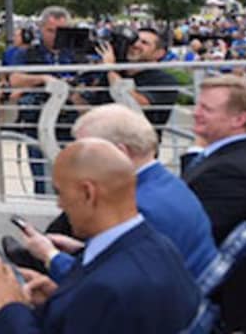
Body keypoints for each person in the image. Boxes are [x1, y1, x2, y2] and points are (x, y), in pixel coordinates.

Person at [0, 139, 199, 334]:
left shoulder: (108, 288)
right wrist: (53, 294)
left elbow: (99, 297)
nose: (59, 205)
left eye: (60, 193)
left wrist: (10, 305)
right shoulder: (159, 246)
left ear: (88, 192)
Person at [16, 105, 217, 280]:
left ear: (119, 153)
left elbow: (102, 285)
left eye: (85, 153)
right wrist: (80, 250)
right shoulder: (169, 184)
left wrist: (51, 256)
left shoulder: (135, 206)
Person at [183, 74, 246, 332]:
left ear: (239, 119)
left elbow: (195, 239)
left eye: (206, 109)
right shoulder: (226, 158)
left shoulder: (230, 170)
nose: (195, 113)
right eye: (197, 105)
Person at [5, 6, 76, 194]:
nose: (55, 36)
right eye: (50, 30)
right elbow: (15, 79)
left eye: (60, 31)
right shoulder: (27, 53)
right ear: (41, 29)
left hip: (73, 124)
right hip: (37, 123)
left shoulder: (77, 53)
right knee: (43, 181)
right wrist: (43, 79)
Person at [89, 26, 179, 127]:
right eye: (134, 40)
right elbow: (89, 107)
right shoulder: (117, 72)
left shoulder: (165, 81)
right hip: (100, 133)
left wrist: (110, 68)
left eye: (144, 43)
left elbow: (133, 105)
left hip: (136, 139)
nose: (135, 45)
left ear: (159, 53)